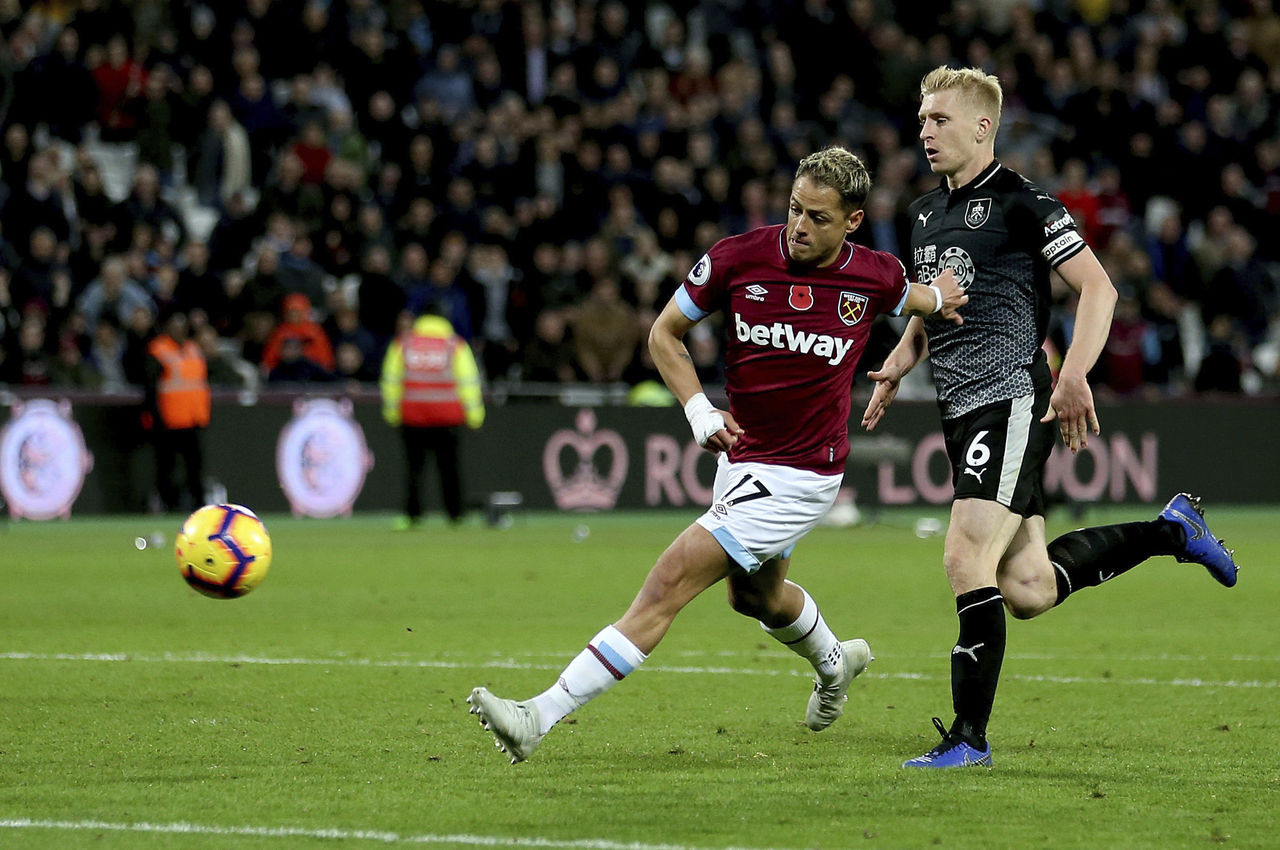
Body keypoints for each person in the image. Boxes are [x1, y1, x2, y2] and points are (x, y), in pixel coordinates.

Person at [467, 147, 968, 763]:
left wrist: (934, 306)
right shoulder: (737, 258)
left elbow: (922, 302)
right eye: (795, 209)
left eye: (817, 217)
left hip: (803, 475)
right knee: (754, 598)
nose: (800, 226)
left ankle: (537, 716)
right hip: (743, 461)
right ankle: (836, 663)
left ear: (853, 221)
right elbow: (664, 333)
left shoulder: (874, 275)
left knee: (667, 583)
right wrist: (699, 410)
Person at [861, 67, 1240, 769]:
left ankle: (968, 739)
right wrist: (900, 360)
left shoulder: (1024, 202)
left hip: (1009, 399)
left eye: (939, 119)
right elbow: (935, 305)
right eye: (921, 121)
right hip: (958, 408)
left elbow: (1099, 288)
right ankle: (1174, 530)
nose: (925, 132)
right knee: (1029, 587)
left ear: (982, 126)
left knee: (963, 555)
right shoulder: (922, 213)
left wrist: (1073, 375)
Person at [379, 304, 485, 529]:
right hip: (448, 417)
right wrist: (475, 417)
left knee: (414, 471)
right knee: (450, 469)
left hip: (413, 416)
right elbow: (469, 383)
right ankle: (456, 515)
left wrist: (392, 414)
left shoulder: (403, 344)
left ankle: (412, 516)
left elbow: (391, 382)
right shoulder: (454, 345)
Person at [145, 307, 211, 512]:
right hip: (169, 419)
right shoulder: (159, 350)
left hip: (194, 417)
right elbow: (151, 387)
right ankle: (168, 504)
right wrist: (154, 416)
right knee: (167, 466)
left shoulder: (193, 348)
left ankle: (199, 504)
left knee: (195, 466)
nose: (179, 329)